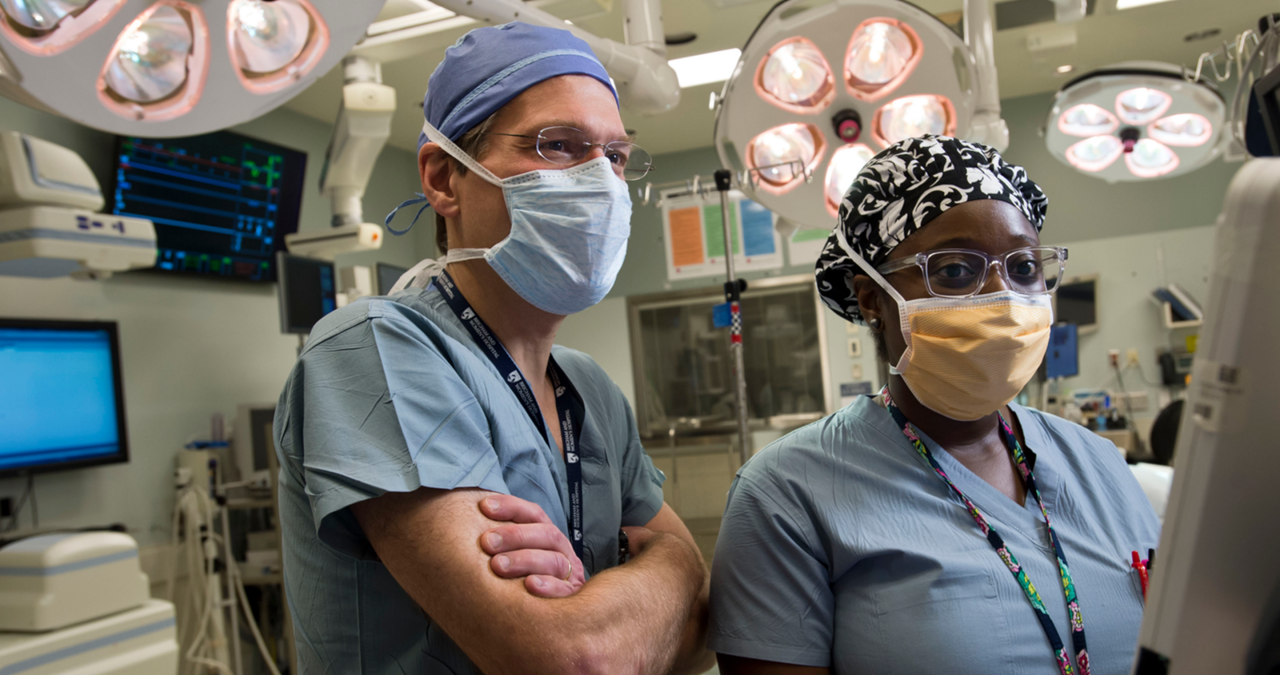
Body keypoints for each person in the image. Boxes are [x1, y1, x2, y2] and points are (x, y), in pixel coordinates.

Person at [273, 22, 712, 675]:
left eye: (616, 155)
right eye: (558, 145)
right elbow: (573, 658)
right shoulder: (374, 349)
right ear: (444, 178)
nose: (600, 180)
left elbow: (706, 622)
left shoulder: (589, 388)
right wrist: (671, 563)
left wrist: (665, 580)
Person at [707, 135, 1161, 675]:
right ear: (872, 299)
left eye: (1023, 267)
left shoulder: (1100, 465)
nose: (1002, 297)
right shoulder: (788, 494)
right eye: (954, 271)